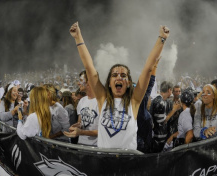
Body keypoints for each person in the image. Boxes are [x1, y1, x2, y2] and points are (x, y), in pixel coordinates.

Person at [69, 21, 169, 150]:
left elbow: (148, 69)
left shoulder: (134, 102)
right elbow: (89, 67)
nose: (119, 77)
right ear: (109, 83)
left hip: (128, 162)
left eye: (123, 75)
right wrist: (78, 38)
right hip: (104, 162)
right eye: (114, 75)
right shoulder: (102, 100)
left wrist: (162, 38)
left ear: (128, 83)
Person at [64, 71, 99, 146]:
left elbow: (104, 131)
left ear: (90, 81)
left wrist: (81, 132)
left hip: (96, 147)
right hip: (81, 145)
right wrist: (76, 126)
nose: (78, 83)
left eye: (81, 80)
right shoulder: (82, 101)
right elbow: (80, 122)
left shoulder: (102, 102)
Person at [149, 81, 181, 152]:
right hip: (158, 139)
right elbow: (162, 121)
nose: (172, 93)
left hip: (158, 137)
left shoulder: (161, 100)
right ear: (169, 90)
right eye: (172, 90)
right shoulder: (160, 102)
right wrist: (174, 110)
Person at [137, 58, 160, 153]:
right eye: (149, 98)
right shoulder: (140, 110)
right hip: (142, 148)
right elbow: (150, 85)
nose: (150, 99)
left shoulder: (141, 110)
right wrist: (154, 67)